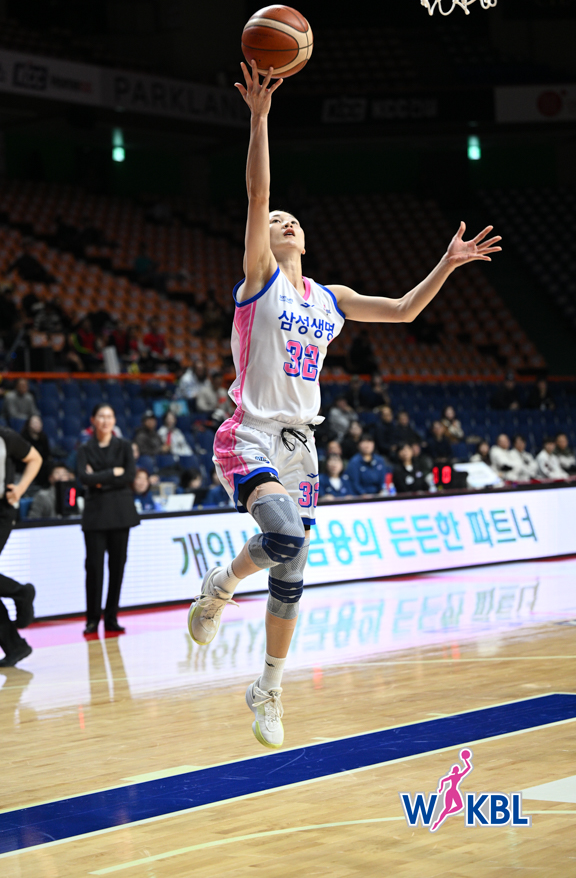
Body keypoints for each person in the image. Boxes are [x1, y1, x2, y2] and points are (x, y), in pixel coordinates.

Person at [187, 59, 501, 750]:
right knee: (285, 537)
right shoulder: (259, 280)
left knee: (292, 572)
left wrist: (447, 265)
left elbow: (405, 310)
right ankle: (220, 585)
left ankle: (268, 688)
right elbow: (256, 192)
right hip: (249, 432)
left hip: (300, 442)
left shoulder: (330, 299)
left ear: (305, 239)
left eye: (291, 219)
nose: (283, 221)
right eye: (276, 220)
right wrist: (260, 118)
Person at [0, 382, 42, 668]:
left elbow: (35, 458)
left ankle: (21, 592)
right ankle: (15, 646)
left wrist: (21, 488)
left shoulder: (1, 435)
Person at [77, 404, 139, 635]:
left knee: (117, 567)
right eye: (101, 416)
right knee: (94, 569)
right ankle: (92, 619)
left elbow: (130, 475)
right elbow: (84, 478)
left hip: (120, 513)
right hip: (95, 515)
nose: (105, 420)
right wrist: (113, 473)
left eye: (109, 416)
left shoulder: (124, 446)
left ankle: (111, 617)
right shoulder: (85, 448)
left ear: (114, 420)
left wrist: (98, 478)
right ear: (93, 420)